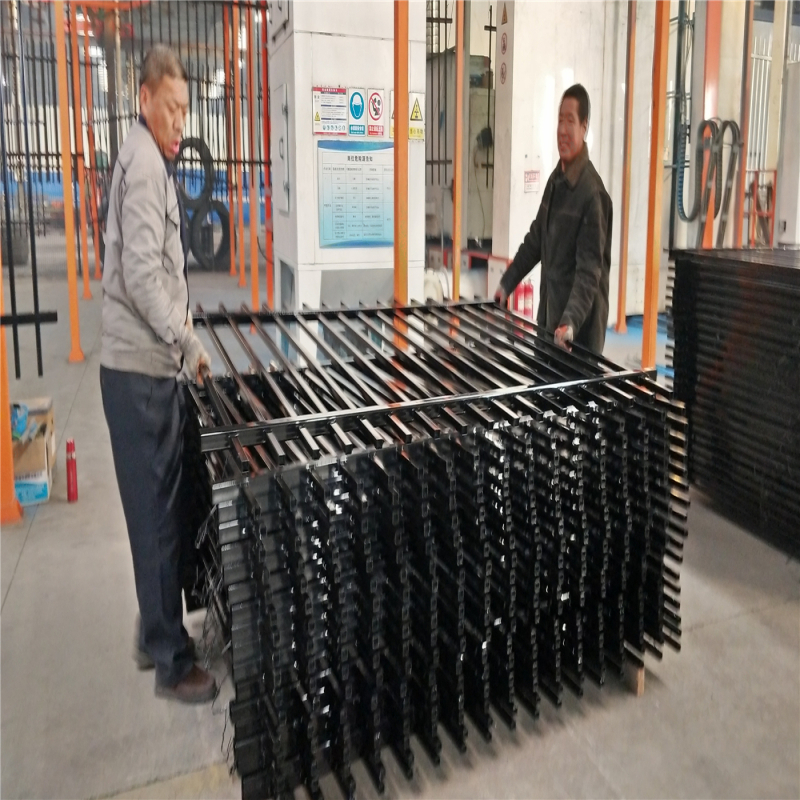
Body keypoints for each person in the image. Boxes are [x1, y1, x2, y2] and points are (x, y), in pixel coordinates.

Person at [99, 46, 215, 704]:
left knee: (151, 514)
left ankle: (153, 632)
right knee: (161, 520)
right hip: (141, 372)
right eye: (170, 107)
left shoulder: (140, 156)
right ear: (144, 99)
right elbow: (144, 277)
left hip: (137, 368)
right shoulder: (145, 167)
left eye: (184, 110)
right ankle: (173, 662)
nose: (179, 121)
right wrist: (187, 339)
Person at [494, 84, 612, 355]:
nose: (563, 129)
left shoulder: (592, 195)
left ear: (584, 127)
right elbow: (536, 240)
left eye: (570, 120)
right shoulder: (556, 181)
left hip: (577, 339)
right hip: (550, 324)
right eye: (560, 120)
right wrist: (507, 283)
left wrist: (570, 322)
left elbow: (589, 272)